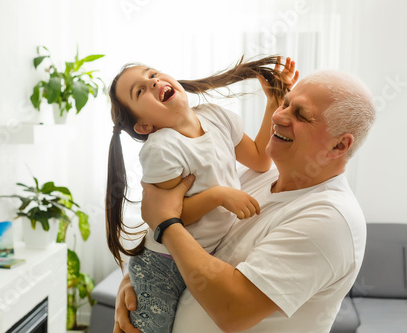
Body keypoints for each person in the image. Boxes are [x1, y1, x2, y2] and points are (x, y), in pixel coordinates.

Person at [113, 70, 376, 333]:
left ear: (339, 146)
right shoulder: (259, 179)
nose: (278, 116)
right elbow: (196, 244)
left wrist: (166, 224)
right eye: (285, 103)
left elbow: (233, 312)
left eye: (301, 115)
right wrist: (138, 281)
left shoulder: (329, 220)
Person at [105, 56, 299, 332]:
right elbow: (169, 216)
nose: (153, 82)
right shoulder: (162, 149)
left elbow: (259, 158)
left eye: (153, 75)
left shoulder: (216, 117)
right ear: (144, 126)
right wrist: (219, 195)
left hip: (201, 257)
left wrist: (272, 104)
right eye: (140, 91)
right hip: (162, 265)